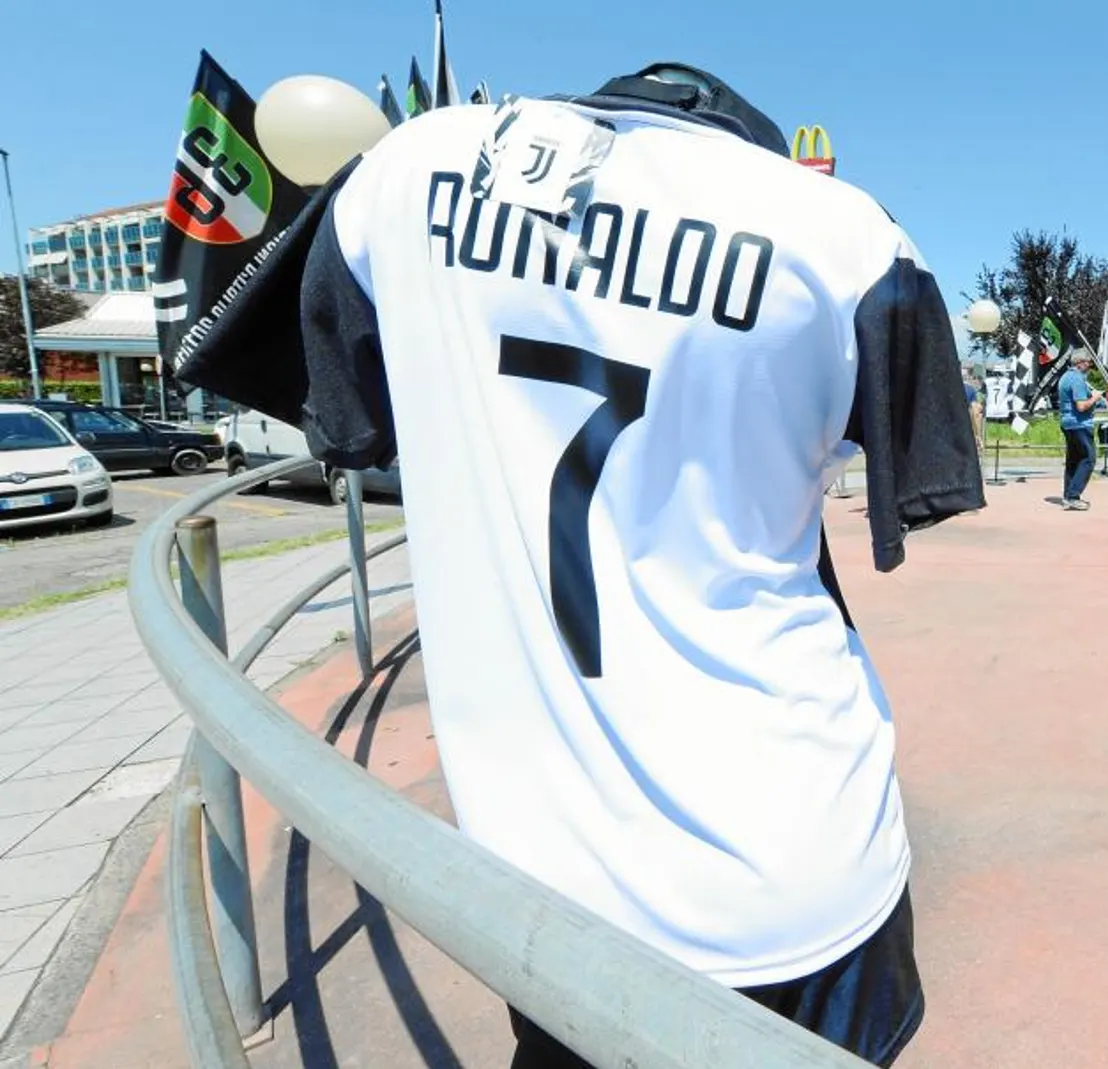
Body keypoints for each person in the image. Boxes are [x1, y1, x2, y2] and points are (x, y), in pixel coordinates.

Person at [210, 63, 984, 1068]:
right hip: (798, 864)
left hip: (547, 882)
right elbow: (917, 464)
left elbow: (346, 415)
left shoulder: (404, 174)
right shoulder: (848, 238)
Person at [1057, 352, 1105, 509]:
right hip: (1080, 424)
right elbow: (1081, 405)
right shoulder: (1077, 379)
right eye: (1088, 362)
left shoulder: (1064, 377)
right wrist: (1095, 398)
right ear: (1079, 363)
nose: (1090, 365)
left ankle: (1067, 495)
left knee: (1073, 460)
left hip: (1067, 423)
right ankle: (1073, 495)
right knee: (1088, 459)